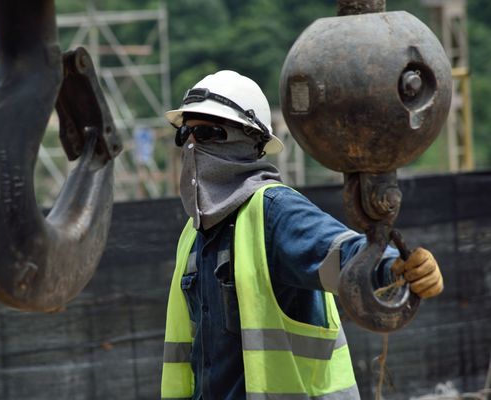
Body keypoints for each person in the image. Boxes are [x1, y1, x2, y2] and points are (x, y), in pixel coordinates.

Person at [160, 70, 443, 400]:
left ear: (250, 141)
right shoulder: (193, 235)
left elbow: (345, 255)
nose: (192, 145)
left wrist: (398, 269)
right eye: (185, 135)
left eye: (207, 133)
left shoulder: (273, 211)